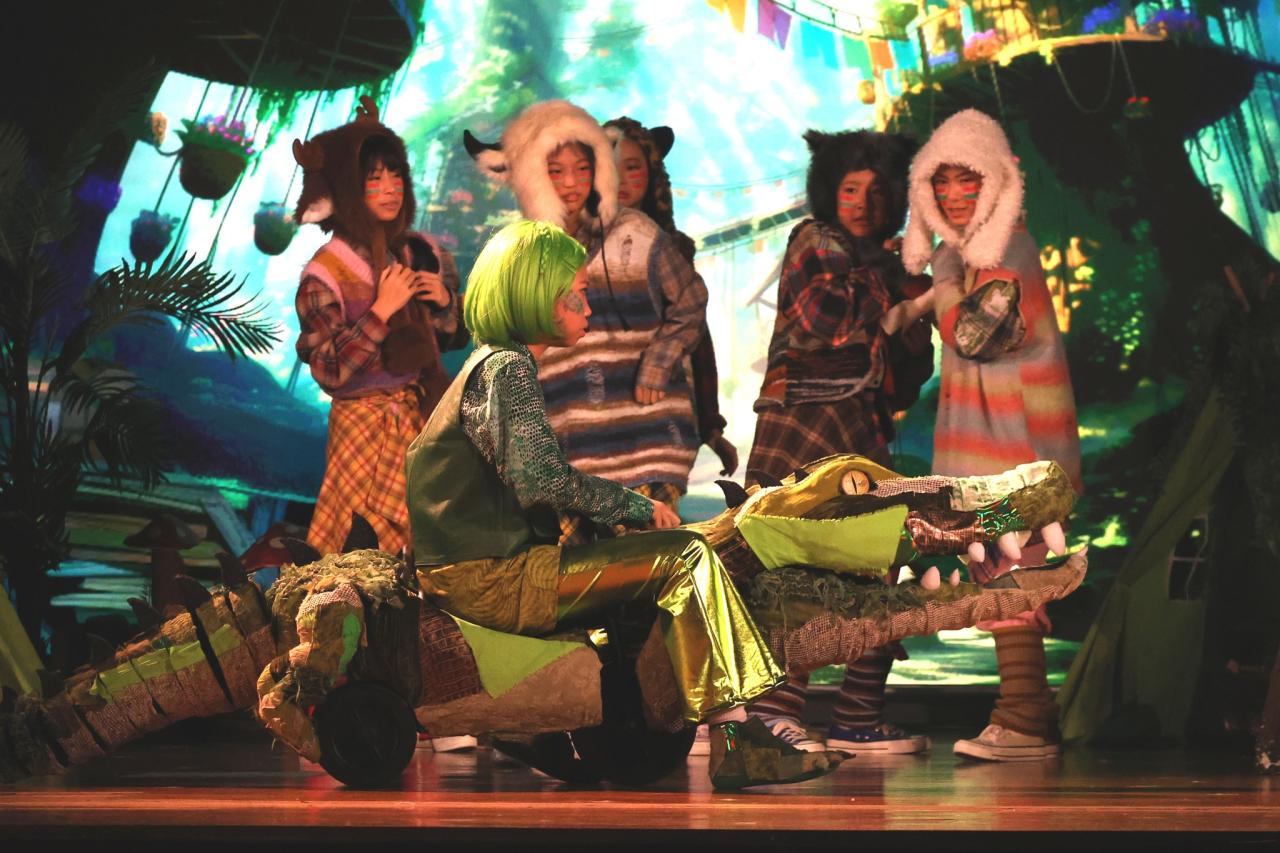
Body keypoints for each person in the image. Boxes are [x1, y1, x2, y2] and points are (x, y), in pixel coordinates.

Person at [404, 220, 844, 789]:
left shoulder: (489, 365)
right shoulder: (507, 369)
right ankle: (737, 741)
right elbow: (540, 480)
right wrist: (632, 506)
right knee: (686, 556)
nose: (589, 307)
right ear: (539, 296)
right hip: (494, 579)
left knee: (648, 560)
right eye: (578, 293)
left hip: (480, 571)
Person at [744, 129, 934, 755]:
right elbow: (825, 317)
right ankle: (772, 715)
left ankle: (856, 715)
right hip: (803, 422)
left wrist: (912, 324)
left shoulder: (887, 266)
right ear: (829, 190)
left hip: (859, 428)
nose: (863, 204)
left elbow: (909, 375)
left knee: (879, 563)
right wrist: (896, 287)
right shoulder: (816, 239)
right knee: (793, 568)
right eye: (851, 189)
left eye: (877, 192)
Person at [901, 108, 1082, 761]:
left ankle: (1025, 718)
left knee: (1013, 577)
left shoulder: (1004, 252)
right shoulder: (978, 257)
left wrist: (940, 282)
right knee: (1004, 576)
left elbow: (974, 334)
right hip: (999, 453)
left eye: (968, 180)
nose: (953, 194)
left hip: (1018, 453)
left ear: (997, 183)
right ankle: (1024, 713)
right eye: (941, 182)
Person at [463, 101, 705, 539]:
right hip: (567, 449)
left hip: (649, 438)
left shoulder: (636, 232)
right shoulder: (519, 251)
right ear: (531, 174)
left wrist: (659, 361)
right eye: (555, 171)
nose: (572, 183)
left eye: (582, 169)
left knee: (649, 563)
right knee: (583, 572)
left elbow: (690, 300)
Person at [293, 95, 466, 557]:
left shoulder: (412, 252)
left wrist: (444, 302)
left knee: (413, 554)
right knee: (354, 551)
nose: (391, 189)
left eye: (396, 175)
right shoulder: (325, 273)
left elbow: (452, 336)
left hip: (415, 418)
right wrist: (380, 312)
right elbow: (330, 369)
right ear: (348, 189)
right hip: (363, 427)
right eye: (373, 179)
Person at [604, 116, 738, 476]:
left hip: (660, 409)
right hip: (597, 411)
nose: (620, 179)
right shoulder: (575, 248)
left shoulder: (673, 249)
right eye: (609, 167)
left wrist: (710, 425)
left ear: (652, 173)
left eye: (632, 167)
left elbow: (698, 340)